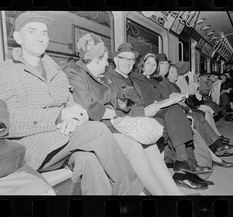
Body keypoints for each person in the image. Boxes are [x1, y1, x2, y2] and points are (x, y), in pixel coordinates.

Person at [0, 11, 143, 195]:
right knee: (96, 130)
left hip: (63, 139)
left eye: (44, 33)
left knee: (89, 161)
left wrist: (73, 116)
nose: (40, 38)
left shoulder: (54, 69)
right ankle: (131, 192)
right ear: (17, 37)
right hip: (33, 148)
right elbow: (10, 120)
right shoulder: (2, 72)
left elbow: (69, 102)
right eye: (32, 31)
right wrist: (58, 116)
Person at [63, 35, 183, 195]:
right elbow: (90, 107)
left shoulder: (100, 76)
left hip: (111, 122)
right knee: (136, 144)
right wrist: (119, 112)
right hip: (96, 128)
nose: (107, 65)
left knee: (150, 144)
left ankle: (173, 193)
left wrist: (123, 104)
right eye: (106, 60)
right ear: (96, 60)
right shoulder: (75, 73)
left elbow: (116, 103)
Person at [130, 52, 213, 180]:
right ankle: (183, 161)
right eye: (148, 64)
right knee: (174, 111)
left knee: (179, 116)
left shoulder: (152, 79)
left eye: (154, 64)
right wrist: (165, 101)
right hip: (149, 111)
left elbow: (159, 97)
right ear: (142, 64)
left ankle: (190, 166)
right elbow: (146, 101)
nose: (151, 67)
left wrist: (170, 98)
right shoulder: (136, 79)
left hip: (159, 108)